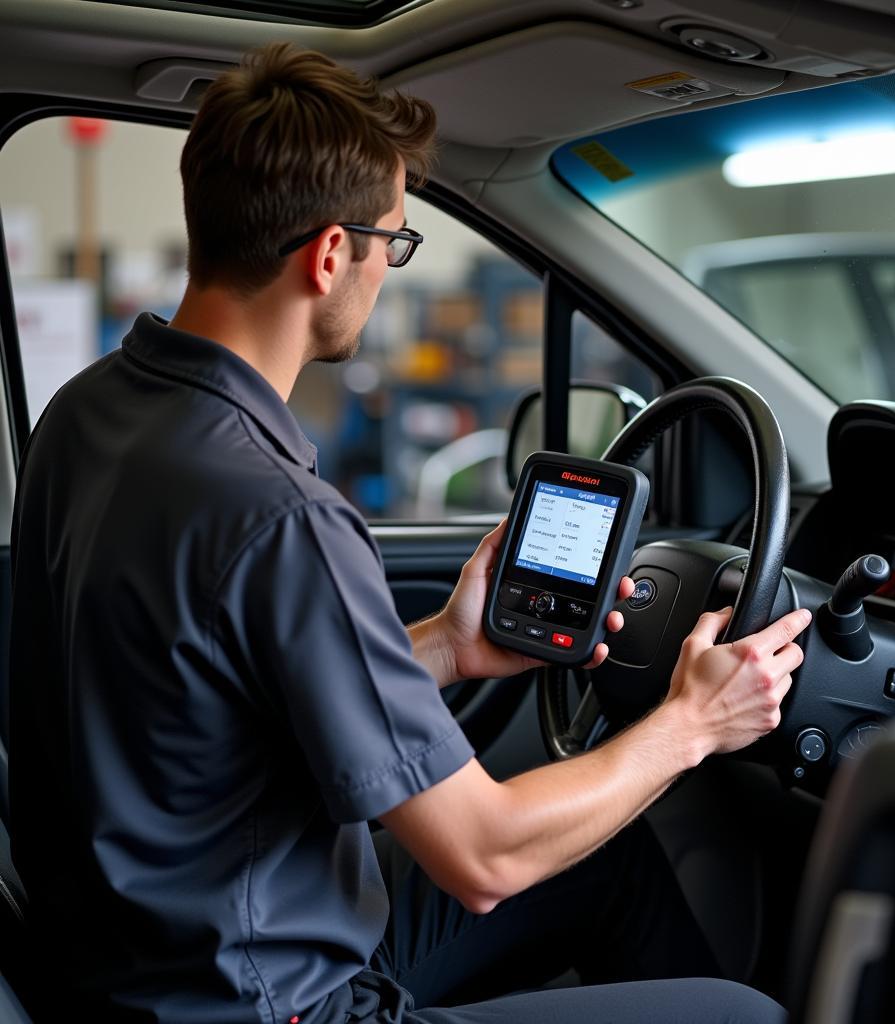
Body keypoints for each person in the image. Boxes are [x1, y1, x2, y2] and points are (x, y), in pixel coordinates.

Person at [8, 42, 811, 1024]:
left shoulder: (87, 413)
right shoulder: (280, 512)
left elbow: (206, 692)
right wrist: (694, 725)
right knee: (746, 1015)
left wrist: (445, 647)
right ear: (330, 253)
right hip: (267, 1004)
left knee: (611, 866)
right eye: (395, 240)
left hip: (128, 962)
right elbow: (484, 856)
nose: (388, 266)